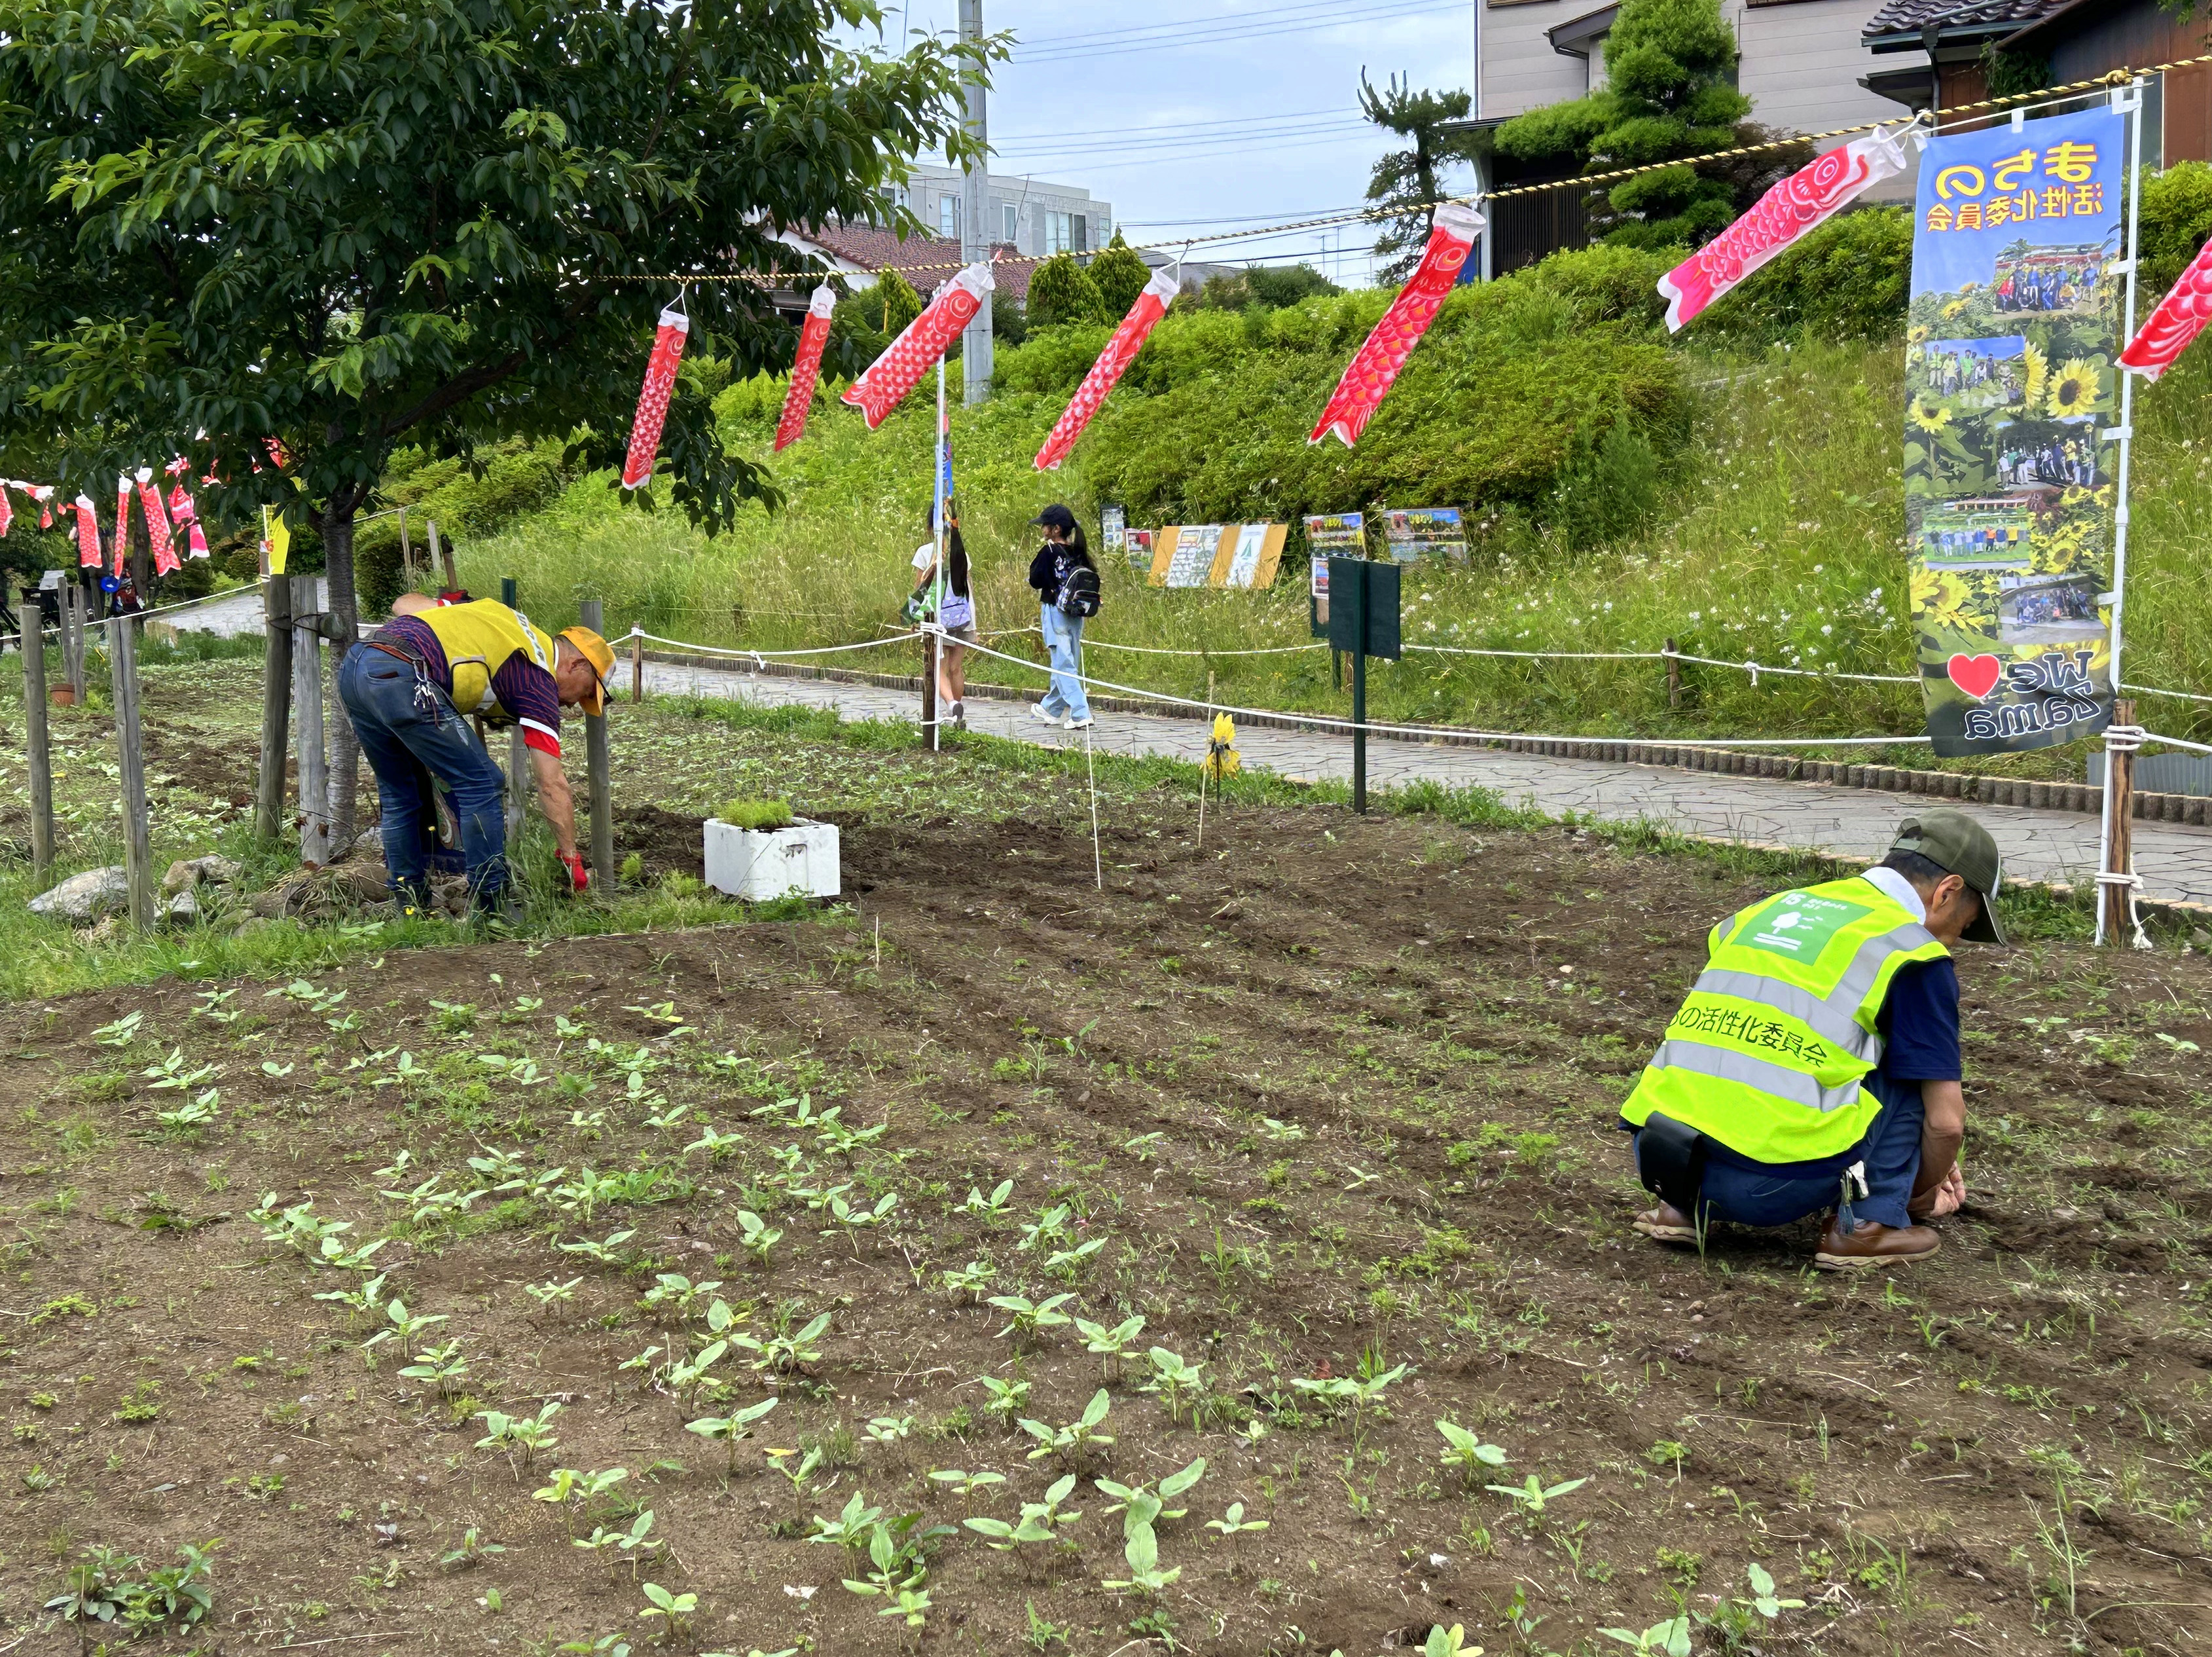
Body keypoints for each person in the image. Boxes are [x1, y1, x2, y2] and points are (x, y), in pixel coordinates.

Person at [1620, 809, 2004, 1270]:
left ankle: (1680, 1210)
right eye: (1962, 928)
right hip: (1766, 1188)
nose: (1953, 944)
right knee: (1914, 1068)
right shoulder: (1910, 953)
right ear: (1947, 892)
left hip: (1662, 1161)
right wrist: (1917, 1192)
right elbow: (1945, 1123)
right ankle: (1867, 1226)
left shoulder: (1766, 909)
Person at [338, 593, 615, 915]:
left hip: (357, 668)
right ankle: (491, 907)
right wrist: (571, 856)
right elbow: (551, 784)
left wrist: (453, 610)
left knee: (401, 793)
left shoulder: (499, 616)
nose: (573, 705)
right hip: (405, 677)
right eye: (584, 692)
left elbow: (402, 605)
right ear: (576, 664)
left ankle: (410, 905)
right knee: (482, 783)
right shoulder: (538, 676)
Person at [1026, 503, 1098, 731]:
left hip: (1055, 611)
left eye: (1045, 525)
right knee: (1067, 661)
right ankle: (1051, 708)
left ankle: (1080, 712)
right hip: (1076, 615)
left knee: (1063, 665)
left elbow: (1035, 580)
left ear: (1056, 529)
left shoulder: (1049, 552)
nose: (1043, 529)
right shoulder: (1078, 553)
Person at [911, 509, 975, 727]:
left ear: (931, 528)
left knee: (938, 668)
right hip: (963, 616)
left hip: (938, 618)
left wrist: (915, 617)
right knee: (956, 668)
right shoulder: (962, 554)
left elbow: (921, 587)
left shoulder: (925, 553)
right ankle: (955, 714)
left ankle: (951, 705)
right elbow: (969, 587)